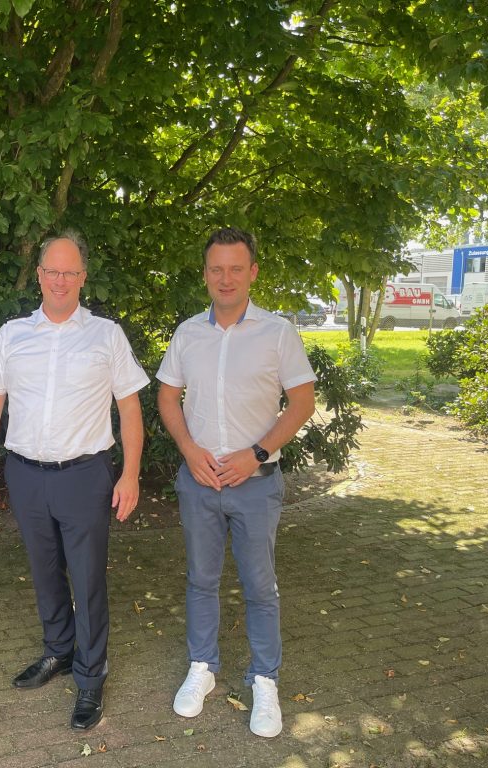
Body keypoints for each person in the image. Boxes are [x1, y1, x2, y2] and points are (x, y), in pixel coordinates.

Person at [0, 231, 148, 731]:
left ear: (83, 278)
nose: (61, 280)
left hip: (84, 476)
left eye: (70, 272)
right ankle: (59, 651)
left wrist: (130, 474)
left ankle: (90, 677)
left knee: (87, 579)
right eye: (53, 270)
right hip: (26, 474)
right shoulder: (12, 335)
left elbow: (130, 408)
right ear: (39, 275)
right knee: (44, 569)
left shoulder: (106, 336)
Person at [156, 227, 316, 738]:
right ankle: (202, 667)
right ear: (205, 274)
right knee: (200, 580)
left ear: (253, 272)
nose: (225, 278)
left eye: (236, 268)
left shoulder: (278, 333)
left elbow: (303, 402)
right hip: (199, 482)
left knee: (260, 586)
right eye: (216, 269)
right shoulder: (187, 333)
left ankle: (265, 680)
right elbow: (167, 397)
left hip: (256, 483)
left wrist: (257, 453)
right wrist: (189, 450)